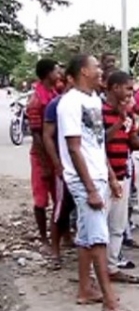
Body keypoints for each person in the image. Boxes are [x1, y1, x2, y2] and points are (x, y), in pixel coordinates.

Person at [57, 54, 137, 311]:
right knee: (99, 237)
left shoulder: (92, 100)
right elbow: (74, 147)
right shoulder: (70, 103)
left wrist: (110, 177)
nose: (101, 71)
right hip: (84, 180)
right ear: (83, 71)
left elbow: (96, 142)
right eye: (96, 67)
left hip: (99, 175)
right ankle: (110, 302)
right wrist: (90, 187)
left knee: (85, 235)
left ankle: (85, 290)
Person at [103, 71, 139, 285]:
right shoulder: (100, 111)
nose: (130, 94)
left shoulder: (127, 114)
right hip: (104, 178)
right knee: (98, 227)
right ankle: (94, 272)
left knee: (117, 225)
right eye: (127, 89)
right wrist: (120, 120)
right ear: (115, 88)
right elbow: (99, 143)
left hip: (123, 175)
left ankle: (112, 267)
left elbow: (131, 142)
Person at [26, 58, 60, 252]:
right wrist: (45, 162)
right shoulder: (37, 100)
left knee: (58, 197)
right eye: (56, 71)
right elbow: (37, 134)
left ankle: (60, 235)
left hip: (52, 153)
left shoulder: (53, 93)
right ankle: (43, 237)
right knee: (41, 199)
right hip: (41, 156)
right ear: (48, 74)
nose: (60, 74)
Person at [43, 73, 75, 269]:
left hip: (86, 165)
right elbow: (47, 136)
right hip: (65, 165)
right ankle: (55, 251)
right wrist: (57, 164)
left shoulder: (90, 101)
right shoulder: (56, 105)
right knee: (61, 208)